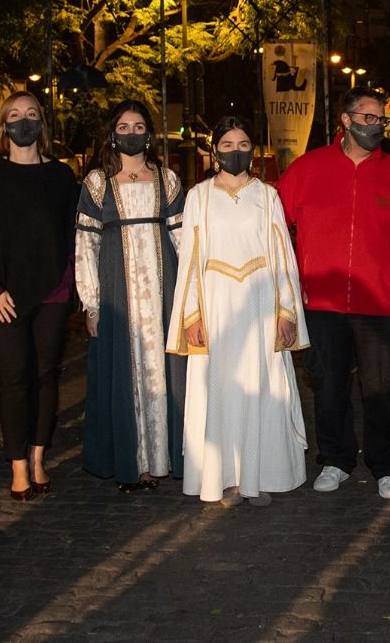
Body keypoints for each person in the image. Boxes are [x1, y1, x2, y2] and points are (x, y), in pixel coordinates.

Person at [277, 87, 390, 501]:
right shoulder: (307, 169)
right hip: (321, 302)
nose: (375, 125)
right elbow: (273, 227)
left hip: (380, 303)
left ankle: (388, 466)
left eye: (380, 119)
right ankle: (334, 459)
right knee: (328, 384)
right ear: (345, 120)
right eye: (367, 118)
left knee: (384, 387)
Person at [167, 115, 309, 506]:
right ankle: (225, 478)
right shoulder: (197, 196)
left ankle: (259, 476)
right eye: (227, 144)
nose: (235, 151)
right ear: (214, 151)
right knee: (220, 390)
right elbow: (190, 260)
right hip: (216, 306)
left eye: (243, 144)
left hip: (261, 305)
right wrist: (192, 316)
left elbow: (283, 256)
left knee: (261, 387)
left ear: (253, 148)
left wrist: (286, 311)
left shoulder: (267, 196)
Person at [0, 91, 80, 501]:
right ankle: (16, 466)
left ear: (42, 125)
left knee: (46, 375)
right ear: (3, 126)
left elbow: (72, 238)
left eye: (32, 114)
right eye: (15, 115)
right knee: (14, 378)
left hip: (52, 293)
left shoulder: (62, 177)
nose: (24, 121)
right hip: (4, 296)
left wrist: (65, 288)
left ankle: (37, 457)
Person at [75, 100, 185, 492]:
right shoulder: (96, 183)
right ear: (112, 133)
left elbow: (181, 238)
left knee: (163, 372)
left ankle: (161, 460)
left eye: (139, 126)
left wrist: (191, 292)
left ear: (149, 134)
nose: (131, 132)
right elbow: (84, 245)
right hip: (116, 291)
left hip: (162, 290)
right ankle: (130, 460)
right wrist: (90, 301)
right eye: (124, 126)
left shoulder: (167, 180)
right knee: (123, 372)